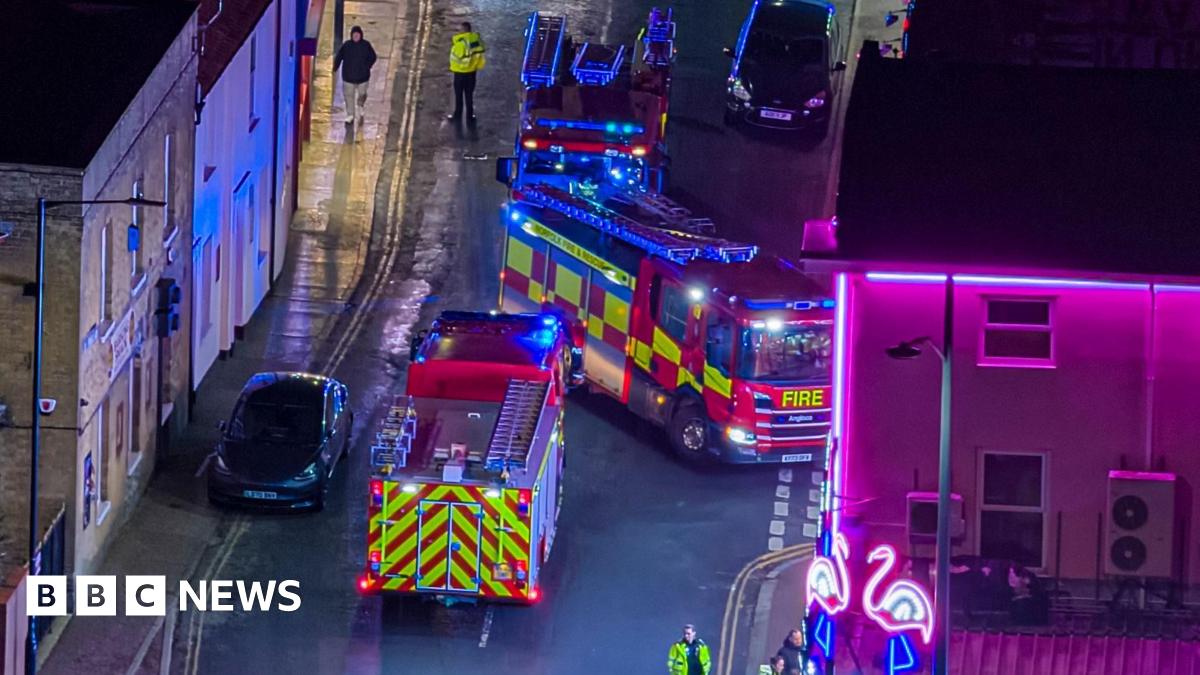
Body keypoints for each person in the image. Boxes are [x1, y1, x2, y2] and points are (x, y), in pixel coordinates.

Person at [333, 25, 377, 124]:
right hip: (348, 77)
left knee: (362, 94)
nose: (356, 36)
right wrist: (335, 68)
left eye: (357, 35)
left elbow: (373, 57)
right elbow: (339, 57)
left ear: (361, 35)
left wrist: (367, 66)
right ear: (351, 35)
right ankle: (350, 115)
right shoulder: (346, 46)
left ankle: (360, 105)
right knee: (349, 97)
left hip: (363, 78)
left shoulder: (366, 45)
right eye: (354, 35)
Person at [448, 21, 486, 123]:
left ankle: (457, 115)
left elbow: (454, 59)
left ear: (463, 30)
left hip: (460, 73)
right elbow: (481, 52)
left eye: (459, 30)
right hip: (472, 73)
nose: (458, 32)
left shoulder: (460, 44)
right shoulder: (476, 41)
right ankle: (470, 116)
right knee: (469, 95)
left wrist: (453, 68)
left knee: (459, 95)